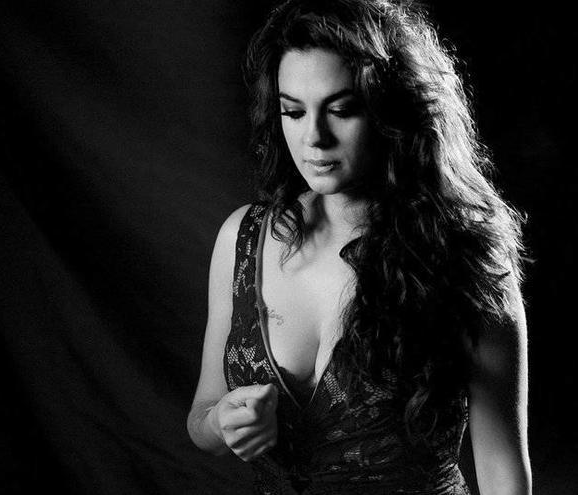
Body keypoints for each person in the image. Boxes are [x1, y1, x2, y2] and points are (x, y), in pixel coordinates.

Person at [187, 1, 530, 493]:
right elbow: (202, 418)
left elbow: (503, 473)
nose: (314, 137)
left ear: (393, 111)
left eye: (342, 110)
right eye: (293, 111)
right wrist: (223, 420)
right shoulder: (243, 240)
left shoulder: (464, 257)